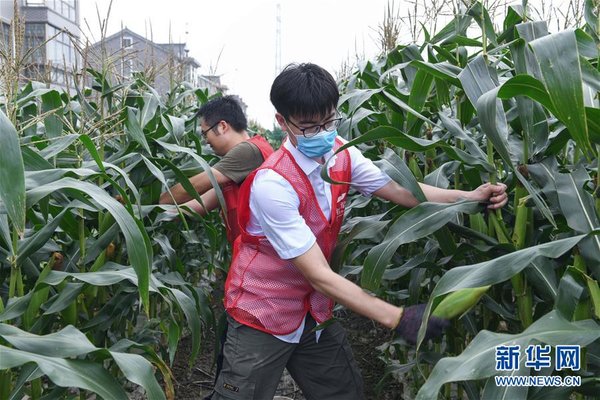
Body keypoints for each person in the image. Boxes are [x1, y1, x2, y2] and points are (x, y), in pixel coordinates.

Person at [212, 63, 508, 400]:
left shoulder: (341, 154)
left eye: (328, 121)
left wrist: (468, 197)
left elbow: (401, 190)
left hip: (313, 311)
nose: (322, 133)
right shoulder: (273, 183)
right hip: (263, 311)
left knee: (344, 393)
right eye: (309, 126)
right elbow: (319, 275)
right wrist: (399, 318)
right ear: (282, 122)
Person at [159, 95, 274, 244]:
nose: (206, 140)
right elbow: (202, 204)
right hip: (250, 253)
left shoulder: (248, 151)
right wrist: (151, 211)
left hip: (262, 255)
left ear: (222, 126)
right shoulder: (233, 172)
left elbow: (194, 186)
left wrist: (158, 200)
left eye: (205, 133)